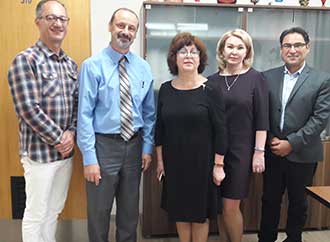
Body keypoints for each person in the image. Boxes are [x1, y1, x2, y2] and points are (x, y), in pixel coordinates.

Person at [77, 8, 155, 242]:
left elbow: (149, 113)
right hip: (103, 147)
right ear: (110, 26)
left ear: (136, 33)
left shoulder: (143, 67)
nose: (126, 31)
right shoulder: (92, 66)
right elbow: (84, 116)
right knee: (99, 214)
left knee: (130, 214)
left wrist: (147, 148)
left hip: (134, 147)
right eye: (121, 25)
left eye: (131, 28)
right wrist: (89, 158)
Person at [7, 1, 77, 241]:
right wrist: (60, 138)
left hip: (65, 156)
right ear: (38, 22)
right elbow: (27, 108)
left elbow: (77, 105)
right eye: (51, 18)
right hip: (39, 155)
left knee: (53, 212)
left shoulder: (70, 65)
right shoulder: (25, 60)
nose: (58, 23)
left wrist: (72, 133)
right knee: (36, 213)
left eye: (62, 19)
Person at [258, 27, 330, 242]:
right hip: (272, 151)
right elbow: (261, 113)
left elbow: (320, 119)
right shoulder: (266, 77)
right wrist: (270, 138)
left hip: (303, 153)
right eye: (287, 45)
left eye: (298, 45)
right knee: (269, 200)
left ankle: (294, 239)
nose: (292, 50)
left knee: (298, 202)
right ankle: (266, 239)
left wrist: (291, 143)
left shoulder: (322, 80)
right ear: (281, 50)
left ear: (307, 48)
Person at [155, 32, 227, 242]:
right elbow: (159, 129)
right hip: (174, 162)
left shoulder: (211, 89)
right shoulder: (166, 90)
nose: (188, 56)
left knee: (199, 215)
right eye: (182, 52)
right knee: (179, 212)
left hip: (202, 163)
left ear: (200, 59)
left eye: (193, 52)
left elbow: (221, 130)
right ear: (174, 58)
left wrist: (219, 165)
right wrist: (160, 162)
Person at [207, 29, 269, 242]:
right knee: (220, 208)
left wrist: (259, 152)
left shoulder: (255, 78)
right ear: (222, 51)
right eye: (230, 47)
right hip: (214, 152)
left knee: (230, 206)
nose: (234, 52)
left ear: (247, 52)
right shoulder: (211, 81)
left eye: (240, 47)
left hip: (241, 152)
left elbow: (262, 119)